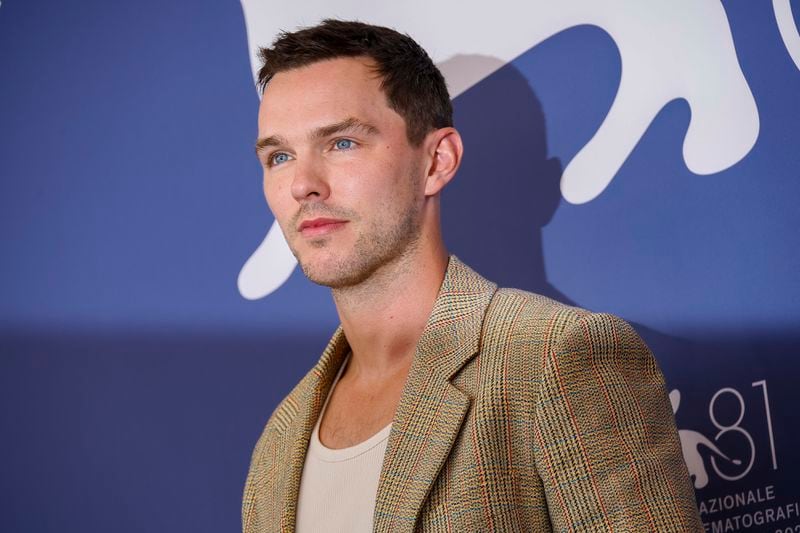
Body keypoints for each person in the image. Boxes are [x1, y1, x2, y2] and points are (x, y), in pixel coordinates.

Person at [242, 19, 702, 533]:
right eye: (279, 156)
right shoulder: (280, 442)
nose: (303, 183)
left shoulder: (556, 358)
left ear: (437, 160)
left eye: (342, 143)